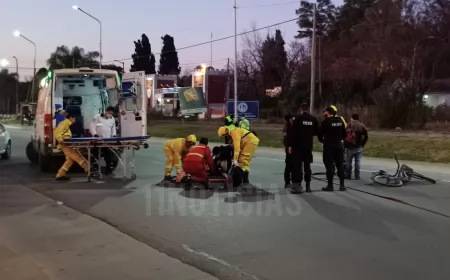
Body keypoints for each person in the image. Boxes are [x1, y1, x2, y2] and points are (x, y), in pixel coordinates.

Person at [288, 103, 319, 193]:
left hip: (298, 146)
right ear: (308, 109)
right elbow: (317, 131)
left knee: (297, 166)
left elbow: (292, 133)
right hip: (308, 146)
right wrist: (309, 133)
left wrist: (290, 145)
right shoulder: (313, 119)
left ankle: (297, 186)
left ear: (301, 109)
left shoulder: (297, 119)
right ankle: (308, 186)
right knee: (307, 166)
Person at [318, 107, 347, 191]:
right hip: (339, 146)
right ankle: (342, 185)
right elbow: (344, 134)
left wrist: (324, 141)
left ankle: (330, 185)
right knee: (340, 165)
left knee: (329, 166)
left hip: (329, 147)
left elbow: (320, 136)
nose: (324, 114)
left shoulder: (325, 122)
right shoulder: (340, 121)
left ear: (328, 113)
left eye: (325, 112)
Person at [54, 114, 89, 180]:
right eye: (74, 118)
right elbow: (58, 132)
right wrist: (61, 140)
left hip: (66, 144)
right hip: (64, 144)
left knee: (70, 160)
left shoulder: (67, 124)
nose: (75, 120)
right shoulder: (64, 123)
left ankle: (61, 174)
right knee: (76, 156)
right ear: (70, 118)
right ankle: (87, 168)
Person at [89, 106, 117, 175]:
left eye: (111, 113)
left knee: (108, 156)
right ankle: (93, 169)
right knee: (95, 155)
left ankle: (108, 169)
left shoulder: (112, 119)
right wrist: (95, 135)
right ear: (106, 111)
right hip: (98, 140)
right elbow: (92, 126)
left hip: (107, 140)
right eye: (109, 113)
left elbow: (113, 128)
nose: (110, 114)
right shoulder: (98, 117)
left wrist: (114, 135)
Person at [344, 113, 369, 180]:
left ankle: (348, 175)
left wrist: (345, 144)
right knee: (357, 162)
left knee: (348, 162)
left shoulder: (348, 125)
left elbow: (344, 134)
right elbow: (366, 136)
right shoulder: (362, 125)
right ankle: (357, 176)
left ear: (352, 118)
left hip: (349, 147)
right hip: (358, 147)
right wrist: (362, 143)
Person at [283, 113, 294, 188]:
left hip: (288, 148)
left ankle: (288, 181)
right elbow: (290, 138)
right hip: (290, 148)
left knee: (290, 165)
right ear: (290, 119)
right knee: (289, 165)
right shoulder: (289, 127)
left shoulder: (287, 126)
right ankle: (287, 182)